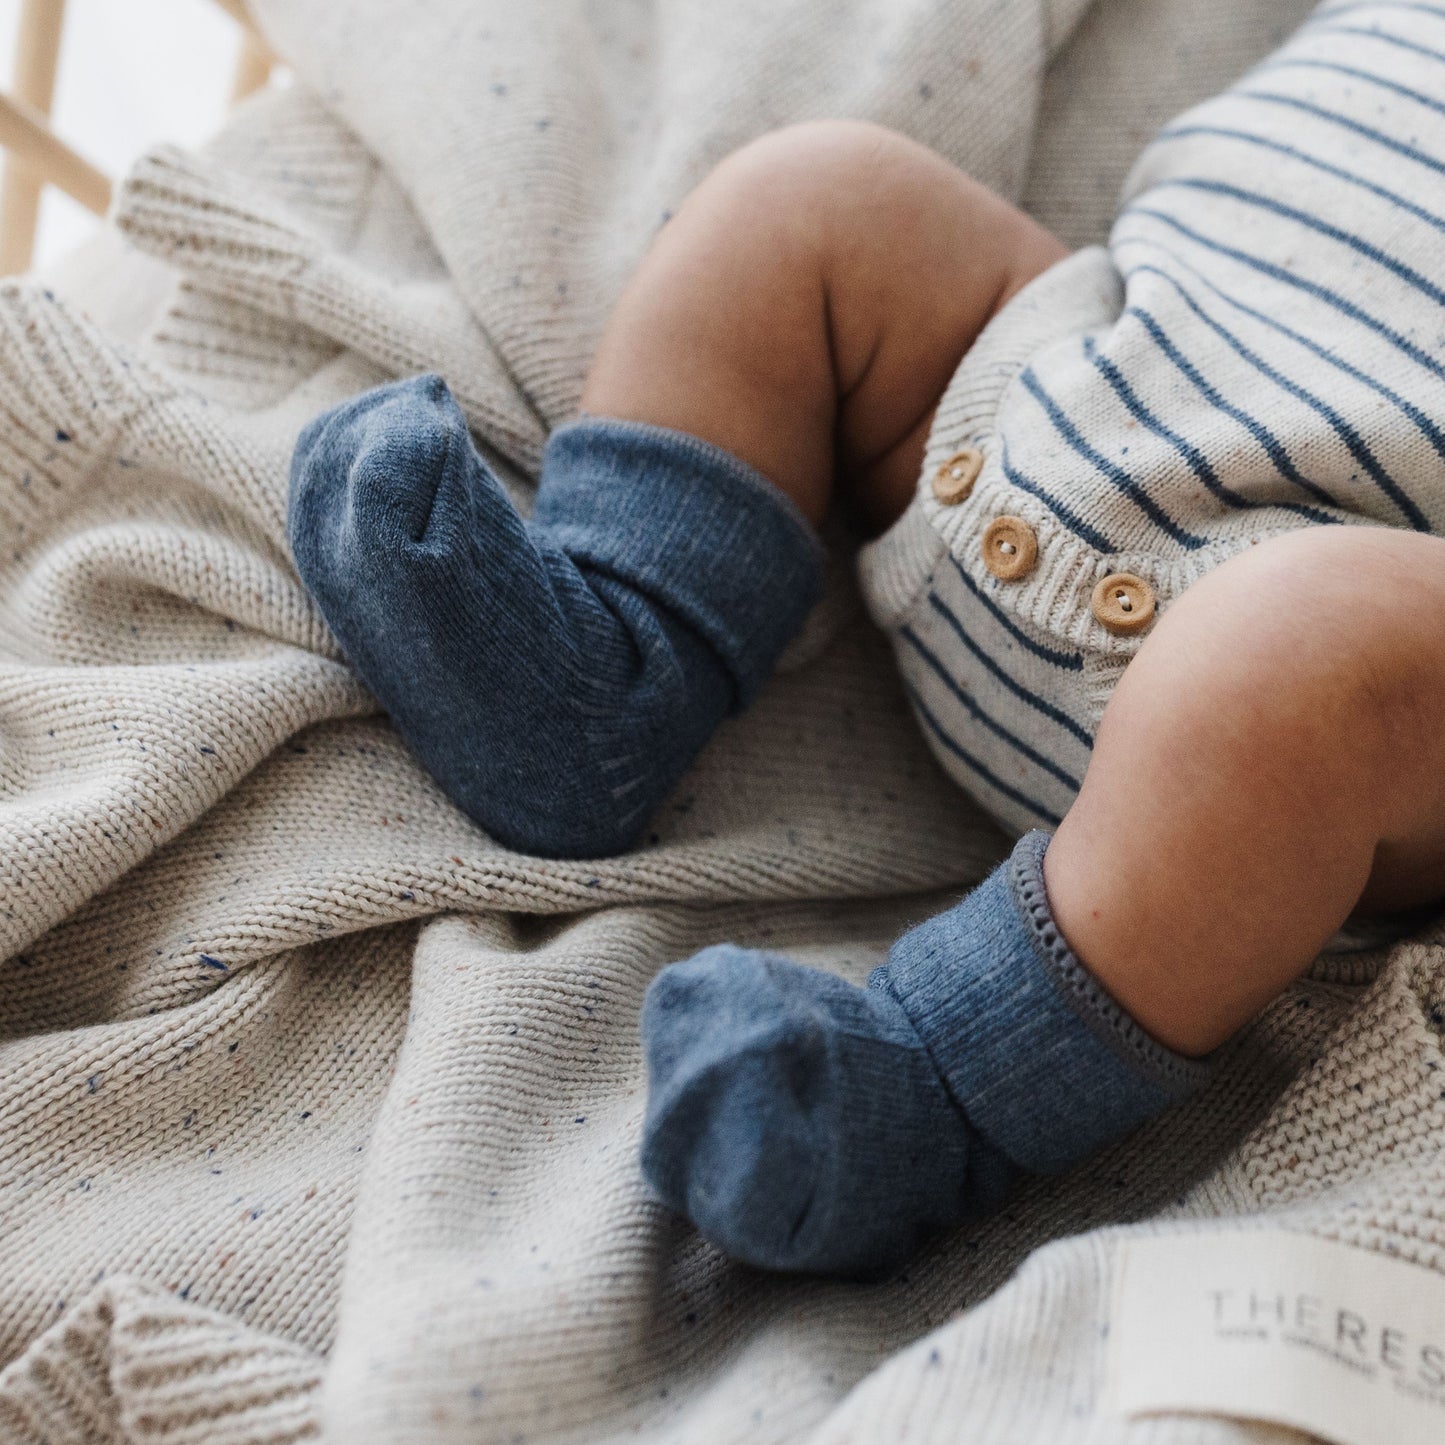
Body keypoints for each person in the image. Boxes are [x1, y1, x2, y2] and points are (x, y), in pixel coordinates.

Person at [287, 1, 1445, 1276]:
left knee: (1303, 657)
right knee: (813, 197)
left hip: (1345, 668)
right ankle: (601, 666)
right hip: (1046, 371)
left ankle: (930, 1086)